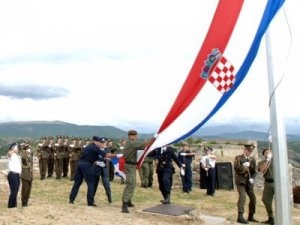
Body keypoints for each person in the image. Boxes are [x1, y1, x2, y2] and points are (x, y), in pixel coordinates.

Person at [69, 136, 117, 206]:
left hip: (80, 164)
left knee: (77, 183)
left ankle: (71, 200)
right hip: (87, 166)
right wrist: (117, 156)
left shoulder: (88, 147)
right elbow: (105, 154)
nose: (100, 144)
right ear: (96, 142)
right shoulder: (95, 147)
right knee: (91, 183)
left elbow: (92, 156)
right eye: (100, 142)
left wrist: (98, 161)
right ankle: (90, 202)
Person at [121, 130, 150, 213]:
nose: (136, 137)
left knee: (132, 184)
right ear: (131, 136)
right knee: (130, 184)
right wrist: (155, 138)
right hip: (130, 166)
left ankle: (128, 200)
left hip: (132, 166)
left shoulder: (131, 143)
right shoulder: (131, 143)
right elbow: (145, 144)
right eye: (135, 136)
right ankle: (124, 204)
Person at [234, 144, 259, 224]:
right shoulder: (238, 158)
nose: (249, 152)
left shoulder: (252, 159)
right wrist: (243, 166)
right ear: (245, 150)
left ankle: (251, 216)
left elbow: (254, 171)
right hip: (241, 180)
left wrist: (253, 179)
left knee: (253, 198)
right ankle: (240, 216)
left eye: (251, 151)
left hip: (248, 182)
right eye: (248, 150)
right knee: (242, 196)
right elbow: (236, 168)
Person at [92, 138, 116, 204]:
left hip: (104, 168)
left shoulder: (107, 149)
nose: (103, 144)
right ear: (99, 143)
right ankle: (92, 198)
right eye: (102, 143)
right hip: (96, 168)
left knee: (106, 183)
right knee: (95, 184)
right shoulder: (95, 149)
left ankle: (109, 196)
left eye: (104, 143)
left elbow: (109, 158)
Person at [258, 148, 275, 225]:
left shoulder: (276, 161)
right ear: (264, 155)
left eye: (269, 152)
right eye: (266, 152)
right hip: (268, 183)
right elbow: (261, 170)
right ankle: (271, 218)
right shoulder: (261, 162)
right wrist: (267, 160)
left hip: (277, 183)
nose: (268, 153)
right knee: (266, 200)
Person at [7, 142, 22, 208]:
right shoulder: (11, 154)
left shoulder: (16, 155)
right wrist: (12, 149)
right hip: (12, 174)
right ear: (13, 148)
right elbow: (9, 153)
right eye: (16, 147)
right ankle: (11, 206)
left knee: (15, 191)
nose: (17, 149)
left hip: (16, 175)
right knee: (14, 191)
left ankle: (14, 204)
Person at [20, 140, 34, 207]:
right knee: (24, 190)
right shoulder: (24, 154)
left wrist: (29, 151)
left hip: (30, 174)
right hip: (25, 174)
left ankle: (26, 201)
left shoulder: (30, 153)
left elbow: (31, 160)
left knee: (29, 190)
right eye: (26, 143)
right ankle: (23, 202)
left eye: (28, 143)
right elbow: (25, 164)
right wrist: (24, 148)